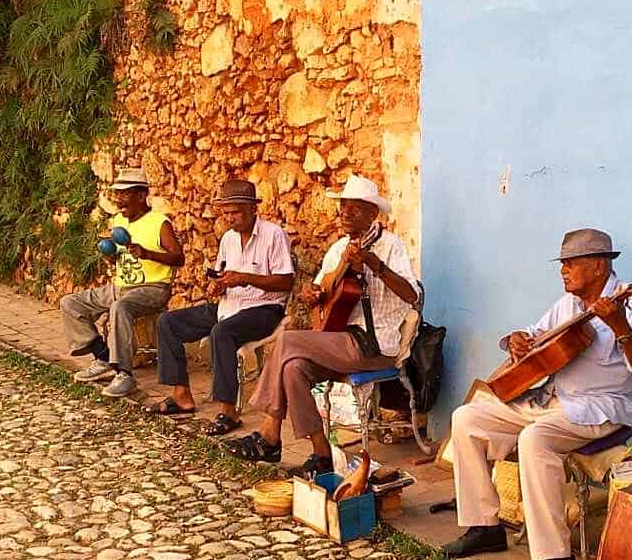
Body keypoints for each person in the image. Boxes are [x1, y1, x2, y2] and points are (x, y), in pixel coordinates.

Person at [439, 229, 632, 560]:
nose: (564, 271)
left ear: (599, 265)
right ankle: (484, 528)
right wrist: (515, 340)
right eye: (563, 264)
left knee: (535, 440)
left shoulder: (628, 304)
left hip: (602, 408)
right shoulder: (568, 303)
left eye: (571, 263)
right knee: (468, 418)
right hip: (554, 402)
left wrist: (619, 328)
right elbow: (532, 335)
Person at [225, 174, 419, 470]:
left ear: (372, 213)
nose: (345, 214)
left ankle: (270, 434)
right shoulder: (340, 247)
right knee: (293, 368)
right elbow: (317, 292)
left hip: (374, 345)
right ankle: (322, 454)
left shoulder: (391, 246)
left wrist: (373, 264)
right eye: (342, 208)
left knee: (288, 340)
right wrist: (311, 293)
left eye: (354, 209)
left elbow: (411, 295)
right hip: (338, 340)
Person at [143, 180, 294, 434]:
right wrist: (218, 286)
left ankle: (229, 412)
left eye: (235, 212)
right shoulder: (228, 239)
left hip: (264, 308)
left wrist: (245, 277)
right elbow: (223, 276)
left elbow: (285, 281)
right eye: (226, 213)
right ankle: (181, 395)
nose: (230, 218)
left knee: (222, 332)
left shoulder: (273, 234)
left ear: (252, 210)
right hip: (229, 305)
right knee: (168, 322)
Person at [60, 167, 184, 397]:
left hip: (152, 288)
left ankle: (124, 374)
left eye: (124, 194)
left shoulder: (159, 223)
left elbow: (178, 258)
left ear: (140, 195)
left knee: (120, 307)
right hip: (119, 286)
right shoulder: (119, 221)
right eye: (117, 194)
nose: (118, 199)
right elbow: (120, 255)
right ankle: (104, 358)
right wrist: (111, 256)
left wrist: (148, 254)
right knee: (70, 302)